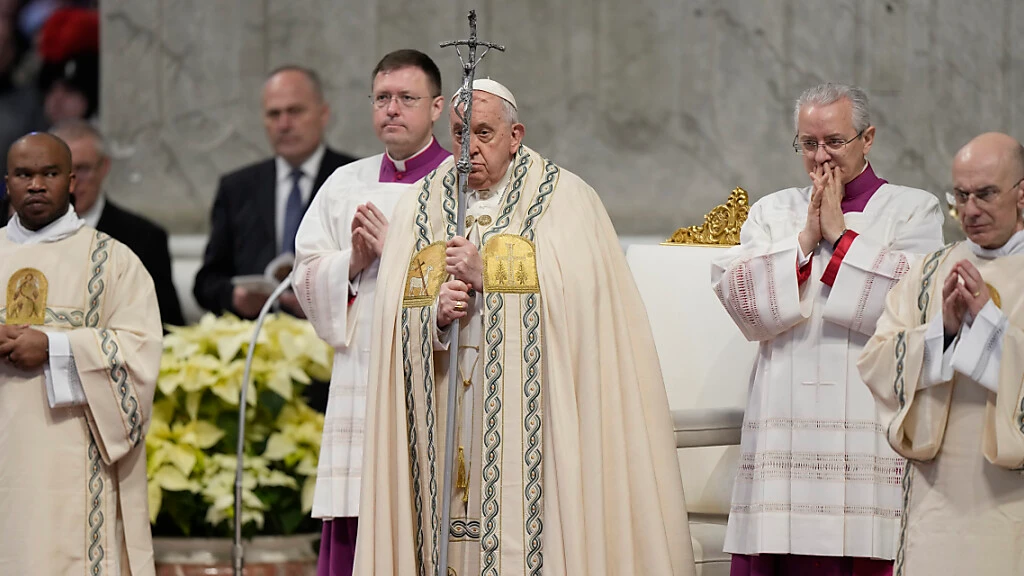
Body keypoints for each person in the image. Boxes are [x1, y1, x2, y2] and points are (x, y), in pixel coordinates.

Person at [353, 79, 695, 576]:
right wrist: (433, 316)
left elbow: (584, 308)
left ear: (516, 135)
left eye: (484, 133)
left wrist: (485, 276)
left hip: (540, 425)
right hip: (445, 411)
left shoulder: (566, 199)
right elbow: (391, 316)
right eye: (457, 133)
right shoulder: (419, 204)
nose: (468, 149)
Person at [710, 83, 945, 575]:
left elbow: (915, 300)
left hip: (867, 420)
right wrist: (803, 241)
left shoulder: (912, 209)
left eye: (835, 141)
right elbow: (740, 299)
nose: (822, 158)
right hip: (783, 419)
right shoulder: (772, 212)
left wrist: (840, 238)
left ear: (868, 137)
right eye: (809, 144)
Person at [291, 49, 450, 576]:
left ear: (437, 108)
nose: (393, 109)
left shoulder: (459, 185)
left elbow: (470, 283)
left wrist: (397, 249)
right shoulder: (344, 184)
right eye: (383, 98)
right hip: (360, 369)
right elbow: (306, 273)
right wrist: (351, 262)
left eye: (407, 98)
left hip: (432, 370)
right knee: (358, 500)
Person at [858, 132, 1024, 575]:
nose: (970, 210)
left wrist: (989, 325)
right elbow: (876, 359)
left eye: (986, 194)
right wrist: (944, 332)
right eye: (961, 195)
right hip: (936, 507)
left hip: (1013, 508)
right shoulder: (930, 272)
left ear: (1022, 192)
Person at [0, 132, 162, 575]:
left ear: (71, 180)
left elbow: (141, 354)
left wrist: (53, 347)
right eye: (24, 174)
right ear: (7, 181)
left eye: (49, 173)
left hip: (72, 474)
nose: (36, 184)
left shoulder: (112, 262)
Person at [193, 65, 356, 320]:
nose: (284, 124)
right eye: (274, 114)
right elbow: (206, 282)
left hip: (332, 340)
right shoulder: (236, 188)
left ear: (323, 114)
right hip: (256, 341)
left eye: (295, 111)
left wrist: (329, 300)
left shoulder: (354, 178)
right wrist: (234, 297)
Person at [51, 119, 185, 326]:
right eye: (58, 171)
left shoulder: (144, 239)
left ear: (104, 167)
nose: (72, 182)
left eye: (83, 169)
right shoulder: (14, 232)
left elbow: (165, 325)